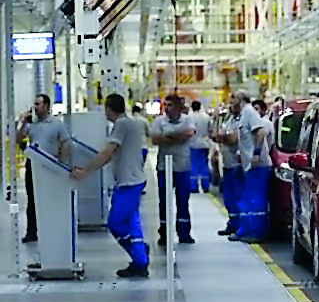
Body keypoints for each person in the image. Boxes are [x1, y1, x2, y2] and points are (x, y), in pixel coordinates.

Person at [71, 94, 149, 278]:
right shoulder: (134, 123)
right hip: (132, 180)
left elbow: (107, 153)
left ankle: (140, 255)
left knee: (116, 223)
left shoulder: (121, 125)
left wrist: (85, 170)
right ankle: (140, 260)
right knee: (132, 223)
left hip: (128, 183)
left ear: (109, 108)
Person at [16, 94, 70, 243]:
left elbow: (65, 142)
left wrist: (62, 162)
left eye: (38, 104)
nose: (35, 107)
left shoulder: (57, 123)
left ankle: (52, 229)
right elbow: (19, 140)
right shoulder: (31, 124)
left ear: (46, 106)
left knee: (51, 198)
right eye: (34, 104)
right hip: (33, 164)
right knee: (32, 199)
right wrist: (22, 123)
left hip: (50, 164)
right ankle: (31, 231)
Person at [151, 94, 195, 246]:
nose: (167, 109)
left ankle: (184, 233)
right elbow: (155, 139)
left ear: (178, 107)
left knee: (183, 201)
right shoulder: (159, 121)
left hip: (182, 167)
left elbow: (188, 134)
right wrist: (176, 136)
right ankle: (164, 233)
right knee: (164, 201)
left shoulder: (187, 120)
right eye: (165, 105)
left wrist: (167, 135)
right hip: (164, 167)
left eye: (170, 105)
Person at [231, 90, 271, 242]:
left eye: (234, 97)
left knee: (256, 200)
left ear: (241, 99)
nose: (231, 100)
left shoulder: (249, 112)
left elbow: (261, 132)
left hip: (258, 165)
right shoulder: (243, 115)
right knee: (248, 198)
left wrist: (256, 153)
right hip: (249, 165)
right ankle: (247, 230)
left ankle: (256, 233)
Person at [212, 101, 242, 236]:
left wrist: (224, 137)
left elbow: (232, 139)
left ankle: (239, 225)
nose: (231, 106)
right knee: (228, 197)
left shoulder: (242, 120)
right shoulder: (230, 119)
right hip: (227, 165)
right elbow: (215, 135)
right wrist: (217, 118)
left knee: (237, 197)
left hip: (237, 165)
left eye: (234, 102)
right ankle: (232, 223)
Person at [189, 100, 212, 193]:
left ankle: (193, 186)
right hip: (204, 143)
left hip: (192, 143)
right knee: (204, 165)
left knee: (193, 165)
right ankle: (205, 185)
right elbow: (210, 130)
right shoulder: (206, 117)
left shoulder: (189, 118)